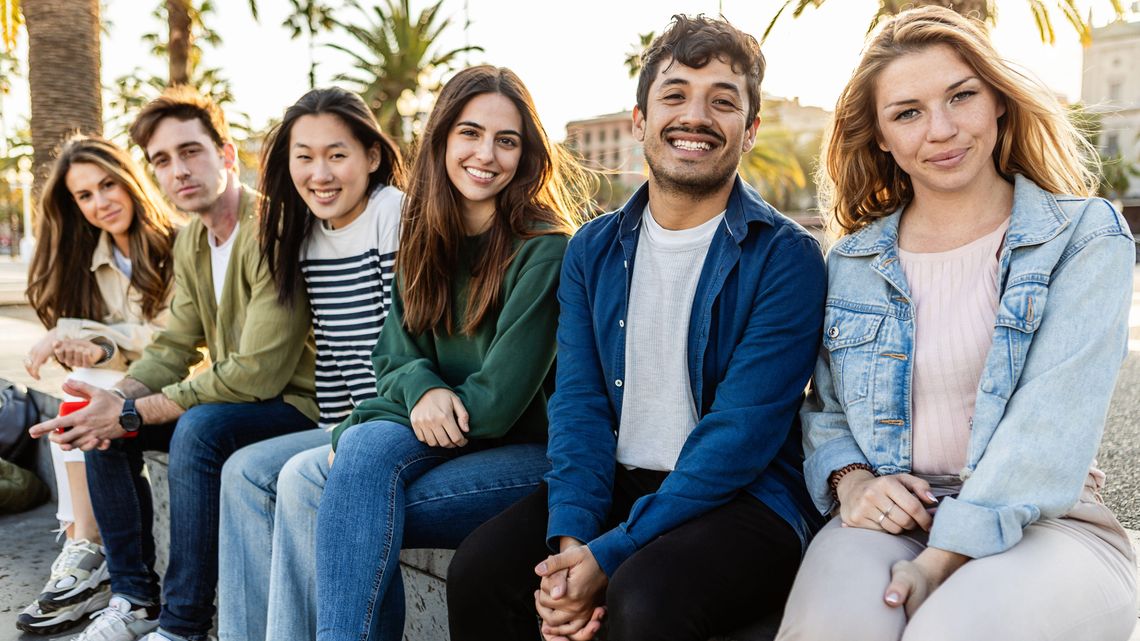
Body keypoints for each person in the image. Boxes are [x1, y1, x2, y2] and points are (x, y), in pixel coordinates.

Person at [447, 15, 827, 641]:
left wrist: (610, 556)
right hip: (620, 481)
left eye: (722, 102)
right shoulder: (592, 249)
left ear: (750, 130)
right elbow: (580, 404)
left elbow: (740, 436)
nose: (695, 116)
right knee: (482, 571)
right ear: (640, 121)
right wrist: (573, 546)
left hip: (746, 498)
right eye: (674, 95)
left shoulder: (785, 256)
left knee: (645, 599)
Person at [775, 7, 1137, 641]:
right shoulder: (853, 261)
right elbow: (825, 407)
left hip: (1048, 521)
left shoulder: (1082, 237)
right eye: (907, 112)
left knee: (949, 630)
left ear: (998, 100)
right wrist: (852, 481)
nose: (940, 130)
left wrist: (938, 563)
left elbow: (1045, 431)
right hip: (895, 516)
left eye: (961, 96)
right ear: (881, 136)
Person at [262, 64, 592, 641]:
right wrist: (424, 387)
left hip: (530, 455)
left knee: (353, 499)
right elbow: (391, 357)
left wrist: (370, 413)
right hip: (443, 443)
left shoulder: (545, 248)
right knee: (357, 498)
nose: (485, 154)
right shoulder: (424, 231)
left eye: (506, 140)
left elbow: (493, 407)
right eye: (469, 132)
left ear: (527, 153)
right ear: (441, 137)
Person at [29, 86, 319, 641]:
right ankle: (135, 597)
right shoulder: (192, 241)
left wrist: (135, 412)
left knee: (199, 430)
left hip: (298, 405)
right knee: (102, 422)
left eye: (191, 151)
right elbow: (174, 346)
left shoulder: (272, 228)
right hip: (240, 403)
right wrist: (118, 401)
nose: (178, 171)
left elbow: (257, 372)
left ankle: (184, 623)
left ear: (226, 155)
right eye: (163, 160)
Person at [216, 86, 405, 641]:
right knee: (243, 472)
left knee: (305, 483)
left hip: (391, 422)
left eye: (337, 154)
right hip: (340, 421)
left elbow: (407, 342)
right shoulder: (300, 234)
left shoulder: (390, 214)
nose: (319, 173)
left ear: (371, 157)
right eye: (305, 157)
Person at [19, 135, 178, 635]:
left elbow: (178, 341)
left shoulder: (177, 243)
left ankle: (86, 550)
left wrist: (93, 340)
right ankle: (85, 546)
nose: (100, 202)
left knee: (88, 388)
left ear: (130, 181)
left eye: (108, 185)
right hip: (133, 388)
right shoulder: (94, 258)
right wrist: (75, 338)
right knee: (83, 387)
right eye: (84, 196)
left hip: (182, 391)